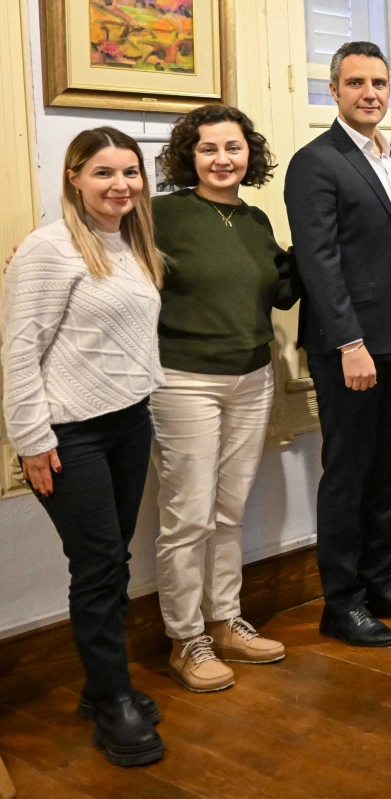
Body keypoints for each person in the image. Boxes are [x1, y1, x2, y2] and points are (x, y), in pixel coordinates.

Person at [2, 128, 167, 766]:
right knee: (97, 566)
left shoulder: (131, 240)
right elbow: (20, 352)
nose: (120, 185)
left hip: (129, 421)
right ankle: (113, 702)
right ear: (73, 177)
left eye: (130, 172)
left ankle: (102, 688)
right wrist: (31, 440)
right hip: (70, 434)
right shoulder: (48, 249)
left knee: (112, 561)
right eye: (103, 172)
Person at [285, 40, 391, 648]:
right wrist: (350, 342)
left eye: (379, 83)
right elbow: (319, 262)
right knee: (348, 474)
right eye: (356, 83)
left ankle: (381, 583)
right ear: (334, 91)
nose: (369, 93)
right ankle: (341, 603)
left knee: (388, 469)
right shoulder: (316, 162)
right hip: (352, 347)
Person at [149, 105, 298, 694]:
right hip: (183, 380)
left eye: (232, 148)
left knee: (229, 510)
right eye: (208, 148)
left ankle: (224, 621)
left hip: (253, 377)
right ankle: (185, 639)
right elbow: (98, 245)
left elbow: (283, 290)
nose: (221, 159)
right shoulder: (161, 213)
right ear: (189, 156)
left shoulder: (256, 220)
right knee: (187, 516)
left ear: (248, 154)